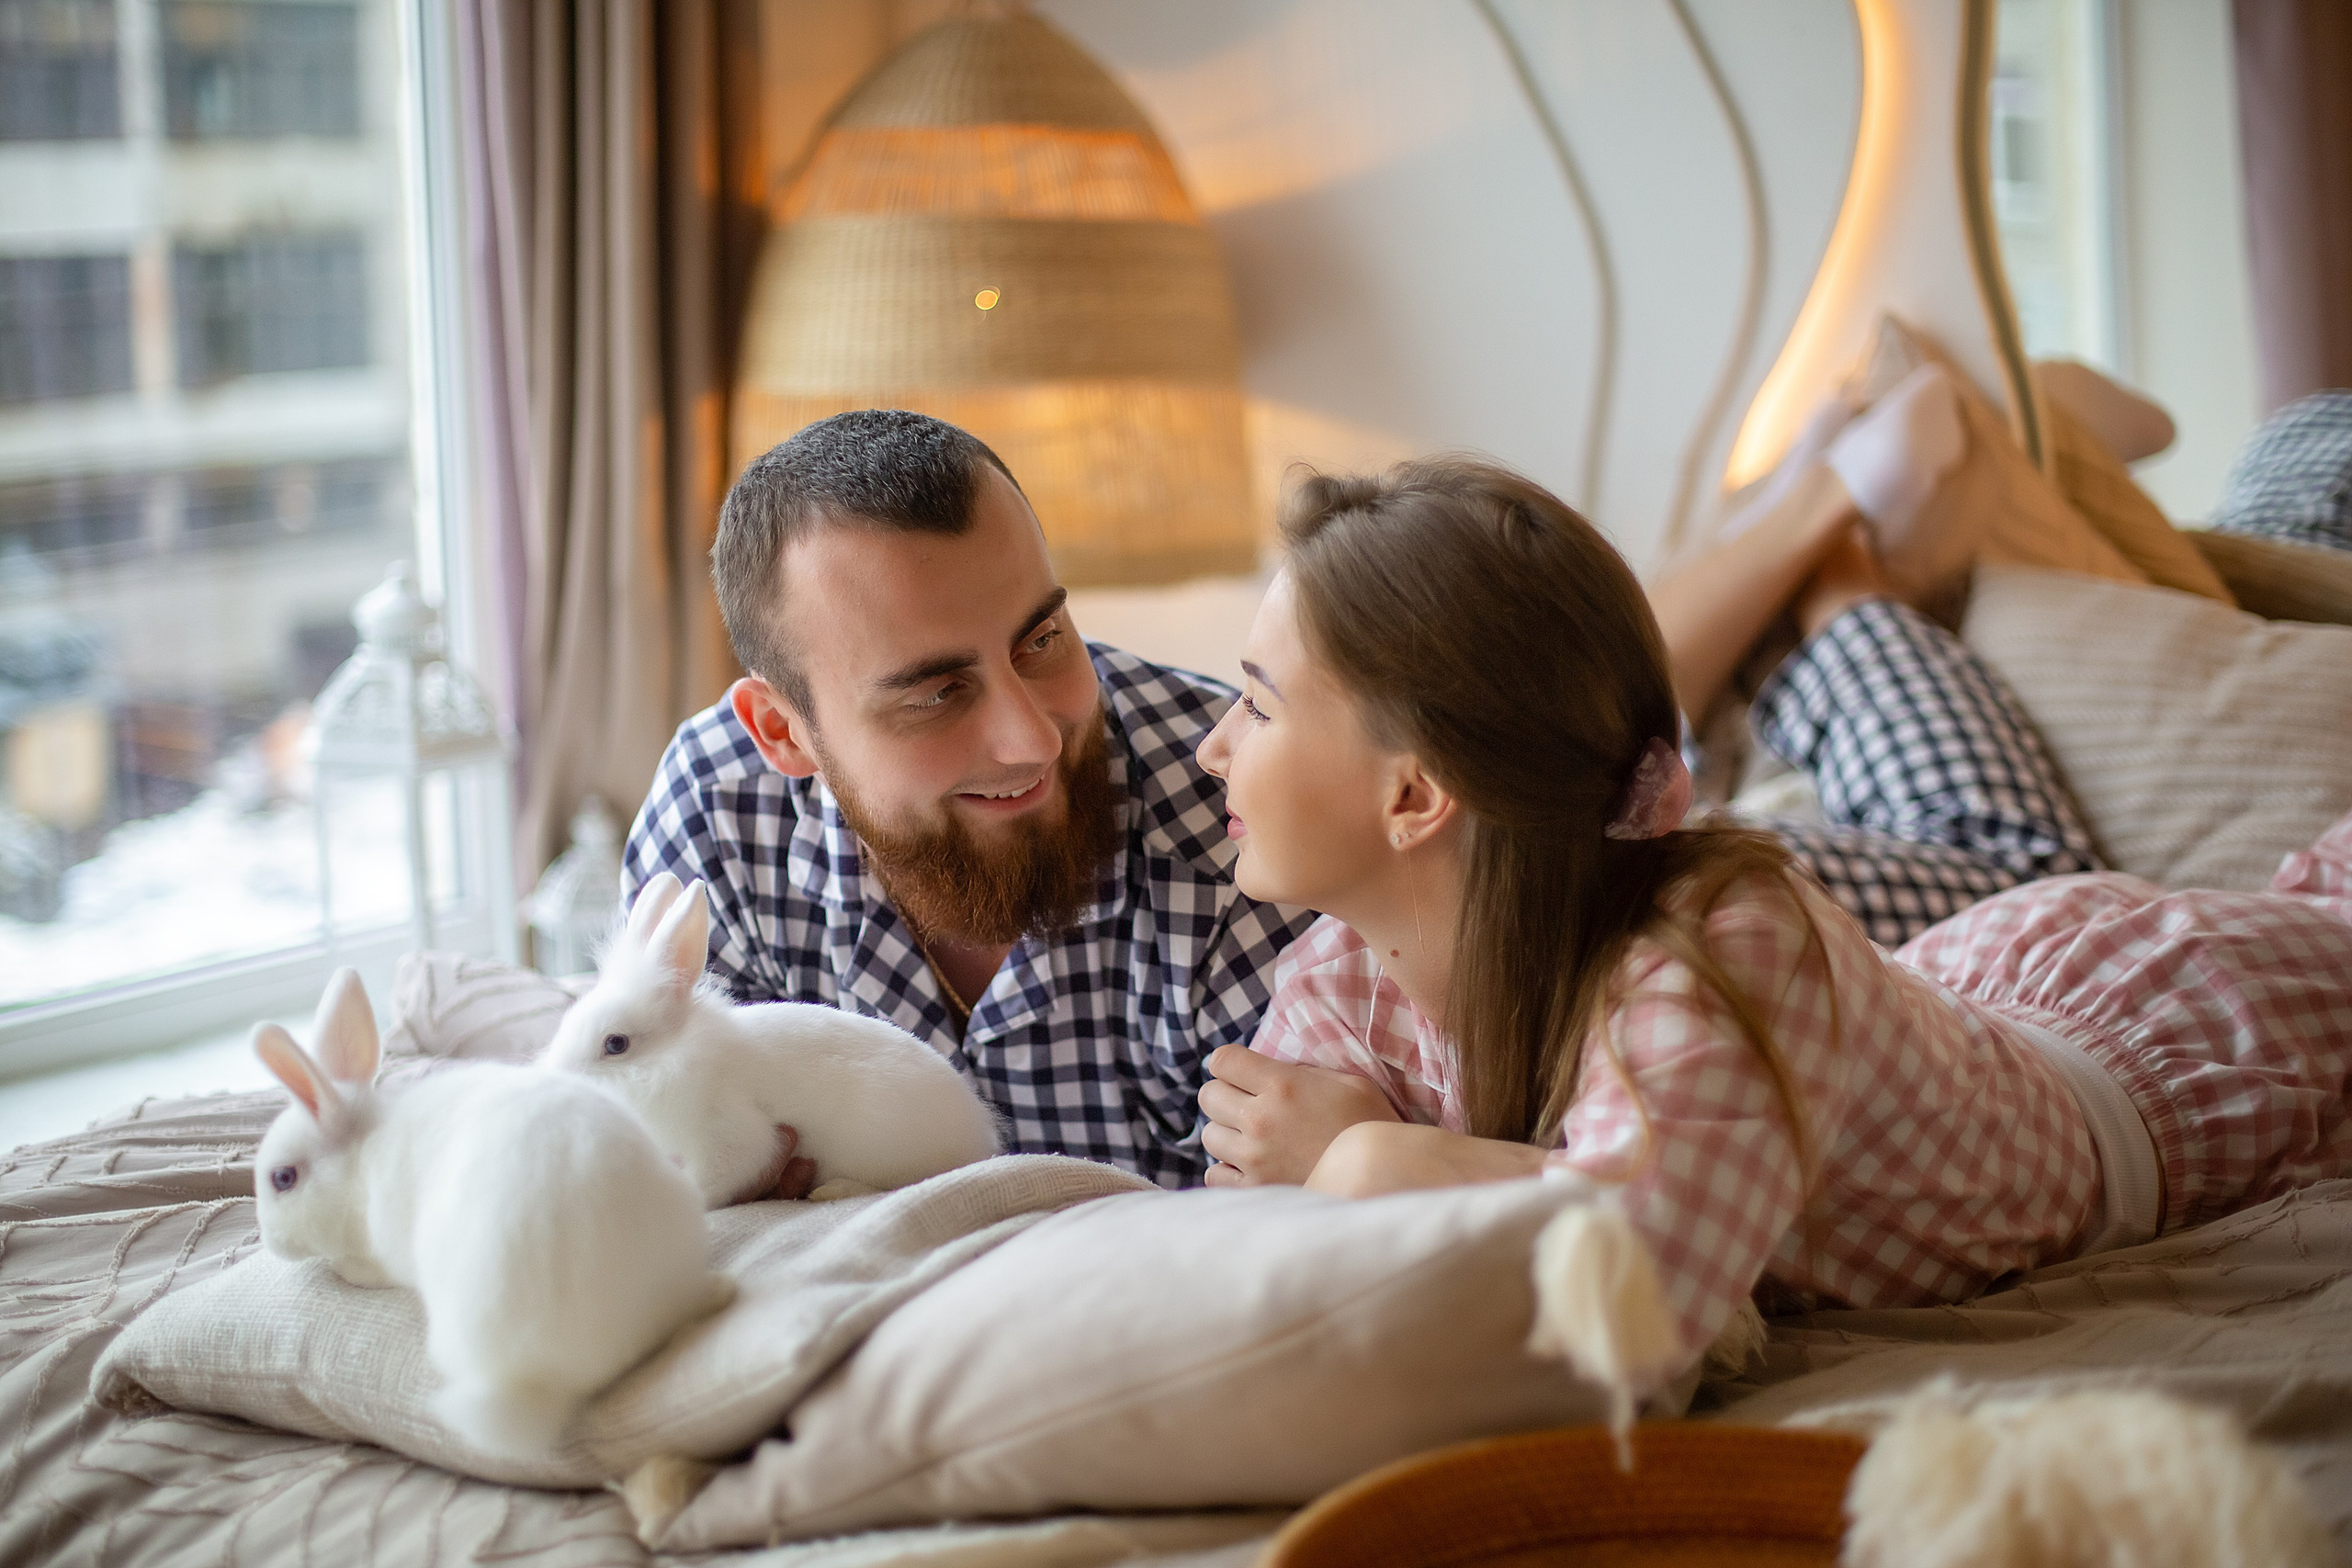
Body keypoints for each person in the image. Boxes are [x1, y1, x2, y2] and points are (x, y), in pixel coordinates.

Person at [1193, 455, 2352, 1375]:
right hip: (1957, 994)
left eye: (1255, 703)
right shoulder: (1338, 980)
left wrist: (1367, 1159)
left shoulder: (1726, 943)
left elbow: (1644, 1305)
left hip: (2157, 1042)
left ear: (1412, 795)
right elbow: (1253, 1281)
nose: (1212, 747)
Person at [624, 410, 1317, 1187]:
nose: (1034, 740)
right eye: (938, 692)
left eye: (1041, 639)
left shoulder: (1237, 809)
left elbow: (1277, 1234)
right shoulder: (716, 822)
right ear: (783, 732)